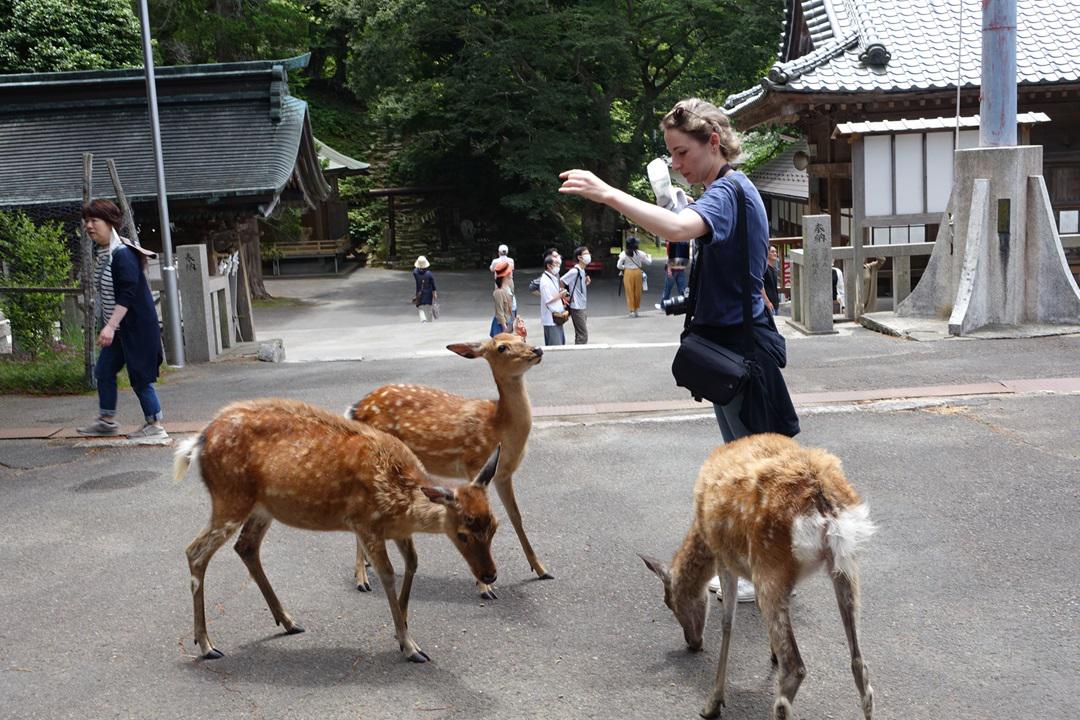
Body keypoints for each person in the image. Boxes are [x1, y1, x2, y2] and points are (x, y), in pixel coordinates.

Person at [559, 97, 801, 603]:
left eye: (681, 151)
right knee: (741, 471)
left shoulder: (729, 191)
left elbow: (677, 229)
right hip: (727, 348)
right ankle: (753, 573)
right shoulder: (722, 189)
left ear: (713, 142)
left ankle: (771, 576)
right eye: (671, 153)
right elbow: (680, 222)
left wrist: (608, 194)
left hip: (740, 351)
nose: (675, 163)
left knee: (759, 475)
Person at [76, 199, 167, 439]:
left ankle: (155, 425)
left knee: (140, 377)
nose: (89, 226)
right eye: (87, 221)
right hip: (119, 330)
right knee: (104, 370)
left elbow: (127, 293)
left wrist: (109, 326)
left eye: (94, 220)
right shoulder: (105, 253)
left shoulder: (122, 254)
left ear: (109, 223)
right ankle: (106, 421)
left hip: (134, 328)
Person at [560, 245, 591, 344]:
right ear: (579, 257)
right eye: (586, 254)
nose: (589, 255)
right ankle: (579, 354)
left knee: (580, 333)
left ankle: (578, 349)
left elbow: (577, 286)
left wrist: (585, 282)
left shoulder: (582, 270)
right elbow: (561, 281)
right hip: (576, 306)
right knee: (583, 334)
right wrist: (567, 296)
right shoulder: (575, 271)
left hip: (582, 305)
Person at [617, 236, 651, 317]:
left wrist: (624, 268)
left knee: (629, 292)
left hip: (628, 273)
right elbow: (649, 262)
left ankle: (631, 310)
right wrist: (649, 256)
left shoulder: (623, 254)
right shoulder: (640, 253)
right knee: (638, 291)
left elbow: (619, 265)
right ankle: (636, 309)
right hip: (638, 272)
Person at [538, 252, 567, 346]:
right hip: (551, 318)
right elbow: (548, 299)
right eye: (556, 264)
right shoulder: (544, 280)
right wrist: (560, 295)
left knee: (560, 343)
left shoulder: (552, 277)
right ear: (549, 266)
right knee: (555, 345)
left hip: (557, 317)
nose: (558, 266)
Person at [655, 238, 690, 310]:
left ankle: (663, 306)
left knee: (667, 289)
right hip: (681, 268)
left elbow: (670, 256)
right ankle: (686, 305)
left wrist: (669, 269)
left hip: (673, 268)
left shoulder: (671, 242)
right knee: (682, 289)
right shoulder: (685, 242)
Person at [489, 244, 517, 316]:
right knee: (510, 296)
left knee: (499, 298)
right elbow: (512, 268)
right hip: (509, 280)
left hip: (499, 281)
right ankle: (510, 313)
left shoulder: (495, 261)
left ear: (499, 252)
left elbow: (492, 269)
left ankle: (501, 313)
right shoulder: (511, 260)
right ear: (507, 252)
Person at [490, 260, 514, 337]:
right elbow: (499, 312)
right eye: (510, 271)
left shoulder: (509, 286)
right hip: (501, 325)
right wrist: (505, 328)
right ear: (506, 274)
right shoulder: (499, 292)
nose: (511, 273)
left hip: (509, 320)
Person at [413, 255, 437, 322]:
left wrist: (418, 263)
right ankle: (429, 321)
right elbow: (433, 284)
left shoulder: (415, 273)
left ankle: (423, 320)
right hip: (429, 293)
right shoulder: (429, 274)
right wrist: (434, 293)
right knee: (429, 308)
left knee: (420, 308)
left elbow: (415, 269)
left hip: (419, 293)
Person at [763, 244, 780, 314]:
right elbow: (761, 286)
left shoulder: (774, 269)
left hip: (775, 303)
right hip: (768, 304)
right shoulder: (764, 269)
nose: (775, 253)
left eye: (776, 252)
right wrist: (767, 301)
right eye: (772, 252)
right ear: (767, 253)